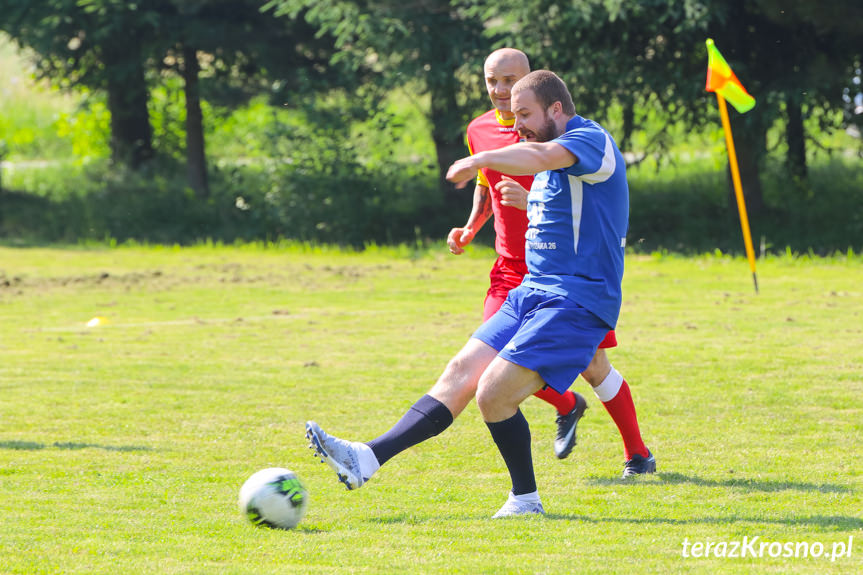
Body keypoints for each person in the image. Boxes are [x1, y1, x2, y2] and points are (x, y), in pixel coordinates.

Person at [306, 70, 655, 517]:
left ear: (556, 108)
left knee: (494, 392)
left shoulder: (590, 140)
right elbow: (565, 208)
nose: (517, 123)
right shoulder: (552, 166)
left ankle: (526, 501)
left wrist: (478, 160)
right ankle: (366, 458)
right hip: (532, 291)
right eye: (513, 115)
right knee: (460, 373)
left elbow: (542, 152)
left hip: (577, 299)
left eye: (525, 114)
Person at [448, 48, 650, 466]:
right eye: (492, 81)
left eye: (510, 81)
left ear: (531, 82)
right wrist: (471, 227)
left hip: (569, 275)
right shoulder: (479, 130)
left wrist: (529, 202)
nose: (501, 90)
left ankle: (636, 451)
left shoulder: (559, 132)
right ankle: (565, 405)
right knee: (490, 357)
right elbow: (485, 184)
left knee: (595, 366)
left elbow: (554, 173)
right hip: (512, 269)